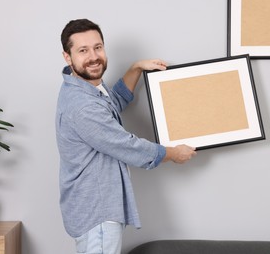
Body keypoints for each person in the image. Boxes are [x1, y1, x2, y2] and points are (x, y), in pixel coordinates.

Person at [56, 18, 196, 254]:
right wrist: (173, 153)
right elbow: (127, 146)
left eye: (97, 47)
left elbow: (113, 104)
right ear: (67, 57)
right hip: (97, 214)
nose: (93, 56)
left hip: (94, 210)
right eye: (83, 50)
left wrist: (135, 69)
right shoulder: (83, 106)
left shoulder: (84, 89)